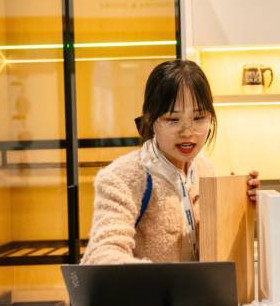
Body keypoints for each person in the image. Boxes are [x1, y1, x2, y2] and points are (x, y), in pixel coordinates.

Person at [82, 60, 259, 264]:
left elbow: (215, 246)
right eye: (173, 120)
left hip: (199, 286)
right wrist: (161, 278)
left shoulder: (205, 169)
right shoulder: (122, 177)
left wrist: (241, 205)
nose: (188, 132)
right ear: (151, 121)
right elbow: (102, 255)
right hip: (149, 287)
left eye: (199, 118)